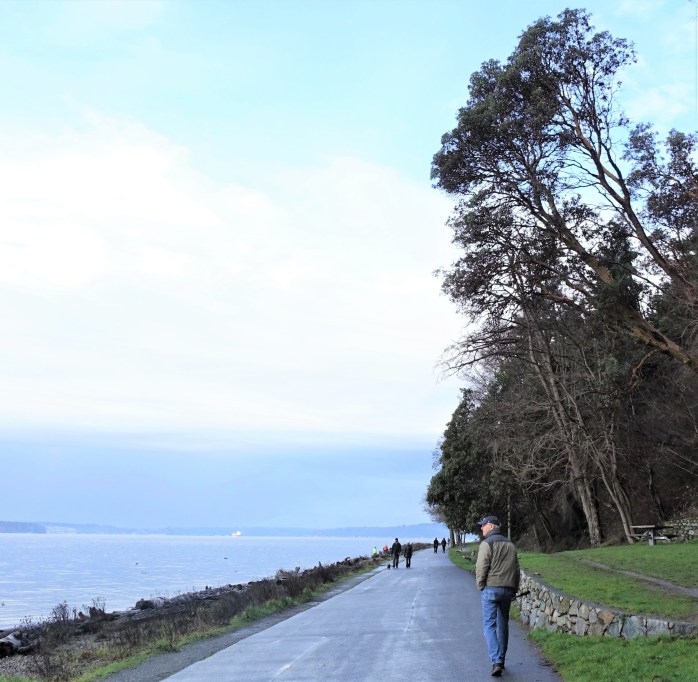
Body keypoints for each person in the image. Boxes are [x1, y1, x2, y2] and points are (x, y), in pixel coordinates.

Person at [475, 515, 520, 678]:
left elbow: (481, 567)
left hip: (491, 589)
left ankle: (496, 661)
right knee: (503, 625)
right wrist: (514, 588)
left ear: (492, 526)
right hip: (507, 589)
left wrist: (480, 585)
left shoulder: (486, 544)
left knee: (489, 625)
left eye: (484, 525)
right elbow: (516, 569)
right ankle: (501, 660)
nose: (482, 528)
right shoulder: (511, 545)